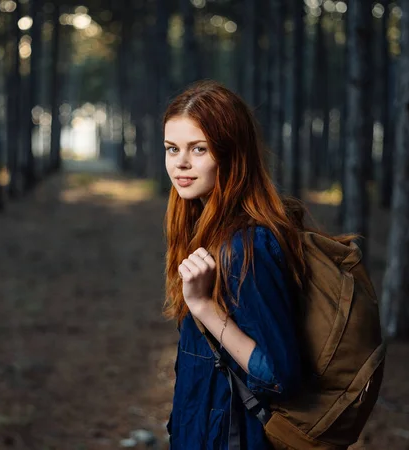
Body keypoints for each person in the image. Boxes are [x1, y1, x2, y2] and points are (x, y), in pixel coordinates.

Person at [163, 80, 308, 449]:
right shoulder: (203, 227)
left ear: (231, 155)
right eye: (172, 148)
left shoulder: (246, 244)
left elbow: (278, 375)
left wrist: (204, 307)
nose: (181, 162)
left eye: (199, 149)